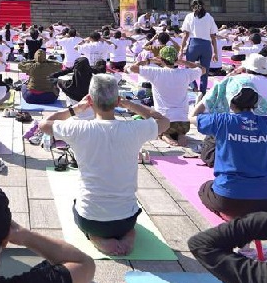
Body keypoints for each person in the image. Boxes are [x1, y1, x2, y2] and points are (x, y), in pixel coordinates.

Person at [39, 74, 170, 255]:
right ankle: (128, 234)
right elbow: (164, 121)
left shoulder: (78, 128)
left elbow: (44, 124)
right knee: (127, 220)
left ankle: (96, 237)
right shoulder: (134, 129)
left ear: (90, 101)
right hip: (126, 219)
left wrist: (76, 109)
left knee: (76, 207)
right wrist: (130, 104)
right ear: (117, 101)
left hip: (91, 219)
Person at [189, 84, 267, 219]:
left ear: (230, 102)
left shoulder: (223, 120)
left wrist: (207, 99)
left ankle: (230, 216)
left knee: (205, 189)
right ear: (256, 102)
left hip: (230, 198)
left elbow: (192, 117)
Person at [130, 45, 201, 145]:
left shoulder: (156, 72)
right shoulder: (186, 73)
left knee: (159, 126)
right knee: (180, 130)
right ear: (175, 59)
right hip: (183, 122)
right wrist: (182, 62)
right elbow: (203, 69)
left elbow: (132, 68)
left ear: (161, 59)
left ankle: (164, 135)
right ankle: (181, 135)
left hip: (164, 121)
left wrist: (149, 61)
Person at [179, 0, 220, 94]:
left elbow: (185, 35)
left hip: (194, 44)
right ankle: (203, 93)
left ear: (192, 6)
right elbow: (213, 36)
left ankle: (194, 87)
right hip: (206, 46)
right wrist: (215, 52)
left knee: (188, 68)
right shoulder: (209, 17)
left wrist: (181, 50)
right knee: (204, 72)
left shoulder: (189, 16)